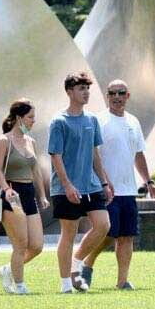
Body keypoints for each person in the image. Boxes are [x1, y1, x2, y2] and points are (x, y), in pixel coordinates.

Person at [82, 79, 155, 290]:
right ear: (107, 96)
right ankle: (88, 263)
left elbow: (138, 154)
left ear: (128, 95)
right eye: (112, 93)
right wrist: (104, 182)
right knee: (107, 234)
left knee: (126, 236)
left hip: (128, 190)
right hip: (106, 189)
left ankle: (122, 281)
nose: (116, 97)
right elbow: (93, 154)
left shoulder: (133, 122)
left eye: (121, 93)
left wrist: (149, 182)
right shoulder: (98, 120)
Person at [48, 71, 113, 293]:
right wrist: (67, 185)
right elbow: (55, 156)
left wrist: (104, 182)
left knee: (104, 225)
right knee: (68, 234)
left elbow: (95, 153)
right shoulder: (58, 121)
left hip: (92, 185)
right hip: (65, 188)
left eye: (87, 88)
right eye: (81, 89)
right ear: (69, 92)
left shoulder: (92, 120)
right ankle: (66, 283)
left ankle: (76, 262)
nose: (86, 93)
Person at [0, 98, 50, 294]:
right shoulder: (4, 141)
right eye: (30, 117)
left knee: (37, 245)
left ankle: (9, 270)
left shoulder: (31, 141)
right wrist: (6, 189)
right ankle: (20, 285)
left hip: (28, 193)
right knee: (21, 243)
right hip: (11, 195)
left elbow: (36, 171)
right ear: (19, 118)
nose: (34, 121)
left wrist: (42, 195)